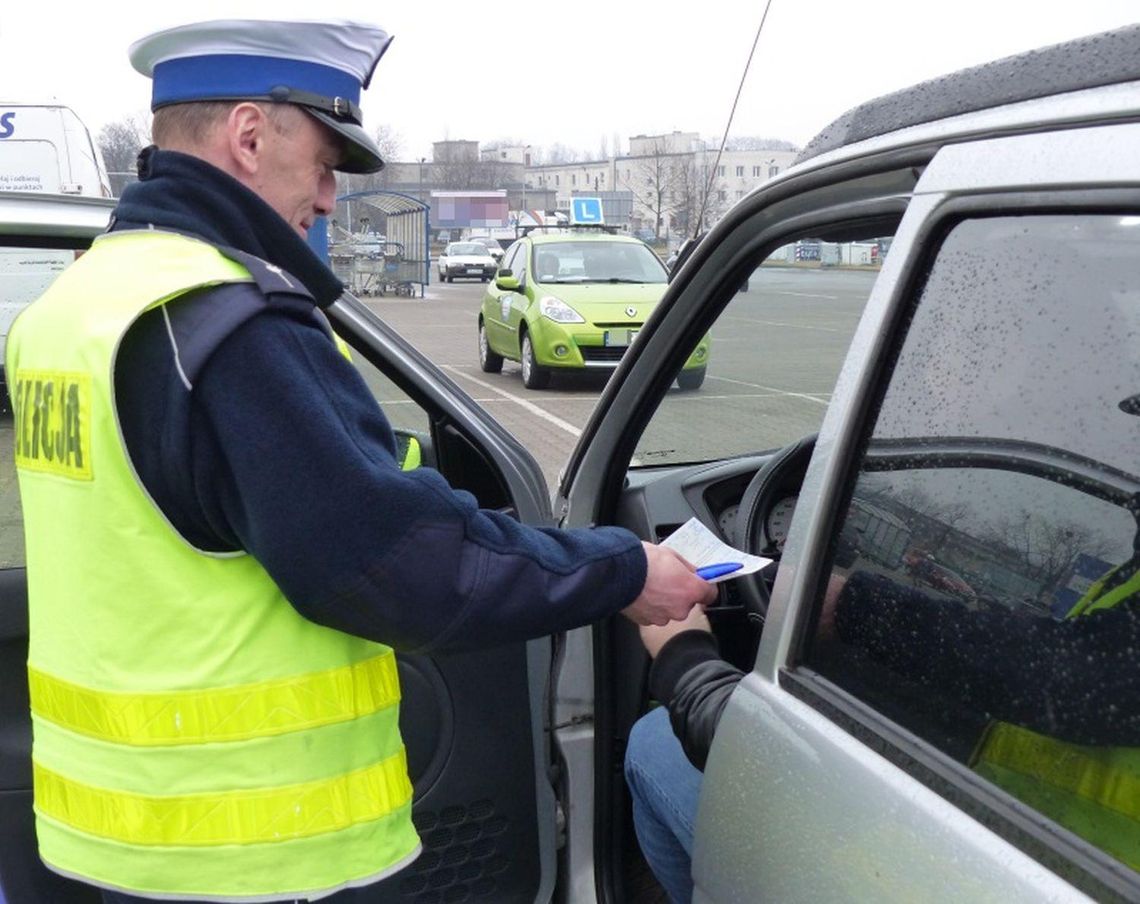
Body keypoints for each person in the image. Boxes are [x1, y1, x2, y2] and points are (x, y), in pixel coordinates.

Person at [7, 19, 715, 904]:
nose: (333, 196)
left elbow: (178, 513)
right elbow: (397, 567)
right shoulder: (231, 323)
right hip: (255, 854)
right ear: (251, 136)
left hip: (109, 838)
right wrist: (622, 570)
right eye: (327, 160)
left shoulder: (74, 307)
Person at [625, 554, 1140, 903]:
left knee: (653, 741)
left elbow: (1089, 676)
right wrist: (954, 607)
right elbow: (1063, 655)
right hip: (1023, 823)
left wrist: (681, 655)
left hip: (985, 872)